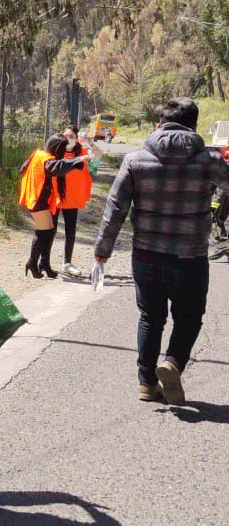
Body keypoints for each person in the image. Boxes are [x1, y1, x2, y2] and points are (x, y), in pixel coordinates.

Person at [94, 97, 229, 405]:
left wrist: (103, 248)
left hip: (146, 254)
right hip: (190, 256)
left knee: (150, 317)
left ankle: (146, 383)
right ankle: (173, 363)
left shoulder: (135, 158)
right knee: (189, 316)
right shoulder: (209, 161)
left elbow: (115, 207)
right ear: (194, 126)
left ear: (158, 124)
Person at [19, 134, 89, 278]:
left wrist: (75, 162)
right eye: (62, 149)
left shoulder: (39, 153)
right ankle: (32, 263)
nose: (63, 152)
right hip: (37, 199)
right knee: (43, 232)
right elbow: (56, 168)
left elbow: (23, 167)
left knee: (48, 231)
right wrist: (77, 160)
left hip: (37, 197)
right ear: (57, 147)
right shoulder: (46, 158)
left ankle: (43, 264)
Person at [56, 126, 93, 277]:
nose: (67, 138)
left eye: (71, 136)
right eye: (65, 135)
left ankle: (67, 263)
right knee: (48, 231)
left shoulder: (83, 151)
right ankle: (43, 262)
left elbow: (98, 158)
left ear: (77, 138)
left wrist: (91, 144)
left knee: (70, 231)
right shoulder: (56, 151)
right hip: (56, 196)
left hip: (72, 197)